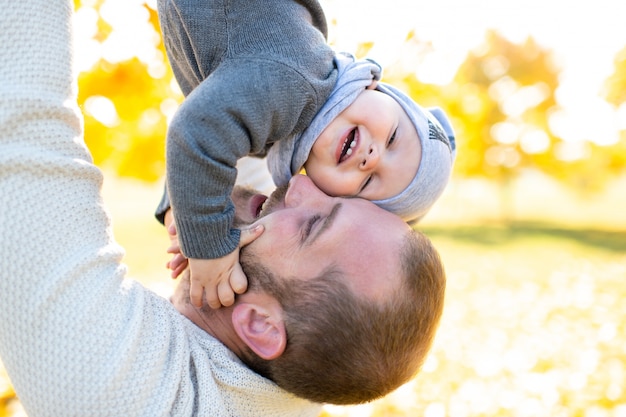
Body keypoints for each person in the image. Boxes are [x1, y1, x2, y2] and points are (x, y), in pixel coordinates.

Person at [0, 0, 446, 415]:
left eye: (314, 225)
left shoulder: (116, 389)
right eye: (343, 194)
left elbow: (17, 123)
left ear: (261, 325)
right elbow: (234, 123)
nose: (301, 188)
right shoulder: (294, 367)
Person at [155, 0, 457, 308]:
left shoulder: (283, 120)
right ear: (376, 87)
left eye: (368, 183)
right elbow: (197, 132)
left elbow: (207, 119)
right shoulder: (297, 81)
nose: (372, 158)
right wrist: (209, 247)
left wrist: (183, 212)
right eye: (393, 138)